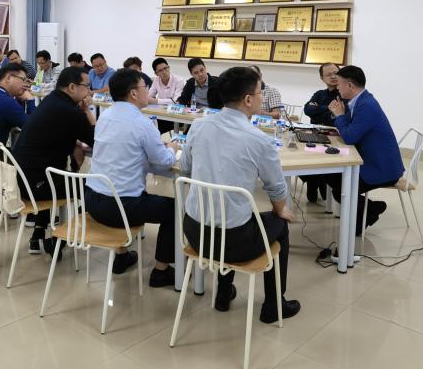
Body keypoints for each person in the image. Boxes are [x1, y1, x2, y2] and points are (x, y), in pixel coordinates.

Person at [179, 66, 299, 323]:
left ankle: (223, 295)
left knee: (235, 215)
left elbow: (185, 168)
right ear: (248, 99)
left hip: (194, 231)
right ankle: (274, 305)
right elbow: (276, 186)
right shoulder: (259, 140)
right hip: (233, 242)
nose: (261, 97)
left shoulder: (198, 126)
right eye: (259, 92)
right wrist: (280, 209)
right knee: (279, 224)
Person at [86, 69, 178, 287]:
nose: (149, 92)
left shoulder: (105, 115)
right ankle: (161, 270)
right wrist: (172, 148)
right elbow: (164, 161)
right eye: (145, 87)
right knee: (175, 209)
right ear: (134, 93)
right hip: (122, 208)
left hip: (92, 201)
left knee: (120, 185)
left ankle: (122, 256)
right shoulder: (141, 123)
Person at [13, 66, 96, 254]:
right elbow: (96, 140)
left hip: (21, 179)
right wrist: (87, 111)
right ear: (72, 87)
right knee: (94, 187)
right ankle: (61, 237)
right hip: (37, 185)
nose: (89, 91)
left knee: (54, 172)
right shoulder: (71, 111)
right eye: (86, 86)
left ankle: (39, 233)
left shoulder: (50, 100)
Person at [326, 65, 404, 232]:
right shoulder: (359, 100)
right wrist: (340, 115)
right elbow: (349, 128)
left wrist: (339, 115)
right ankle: (369, 210)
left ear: (349, 85)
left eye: (339, 84)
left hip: (382, 168)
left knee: (340, 188)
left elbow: (349, 136)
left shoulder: (366, 105)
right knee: (331, 176)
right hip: (372, 160)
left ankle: (370, 211)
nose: (337, 87)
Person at [300, 63, 341, 202]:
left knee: (319, 157)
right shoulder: (319, 94)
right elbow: (308, 110)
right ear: (322, 78)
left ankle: (317, 182)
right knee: (304, 156)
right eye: (329, 74)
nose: (333, 76)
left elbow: (336, 117)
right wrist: (328, 108)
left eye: (336, 73)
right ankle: (314, 181)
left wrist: (318, 110)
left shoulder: (343, 94)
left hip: (335, 139)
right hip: (316, 134)